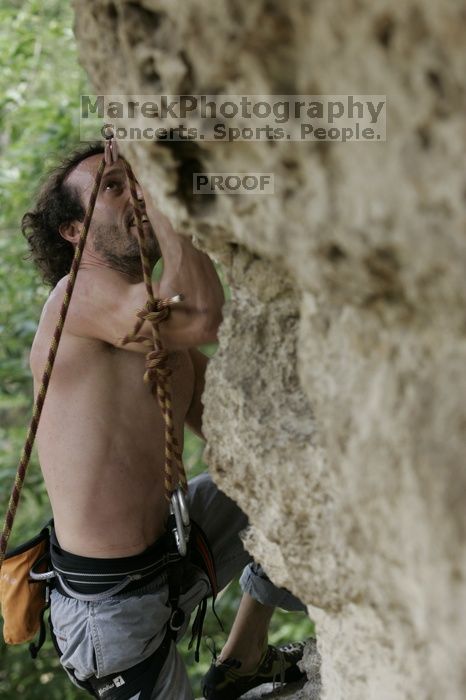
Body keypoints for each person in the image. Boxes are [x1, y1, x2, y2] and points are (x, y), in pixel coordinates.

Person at [22, 143, 309, 699]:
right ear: (73, 233)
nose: (135, 191)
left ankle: (244, 655)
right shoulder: (73, 299)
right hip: (109, 617)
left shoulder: (165, 349)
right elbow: (202, 313)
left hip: (169, 560)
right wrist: (169, 197)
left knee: (305, 480)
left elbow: (244, 446)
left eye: (138, 180)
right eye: (113, 186)